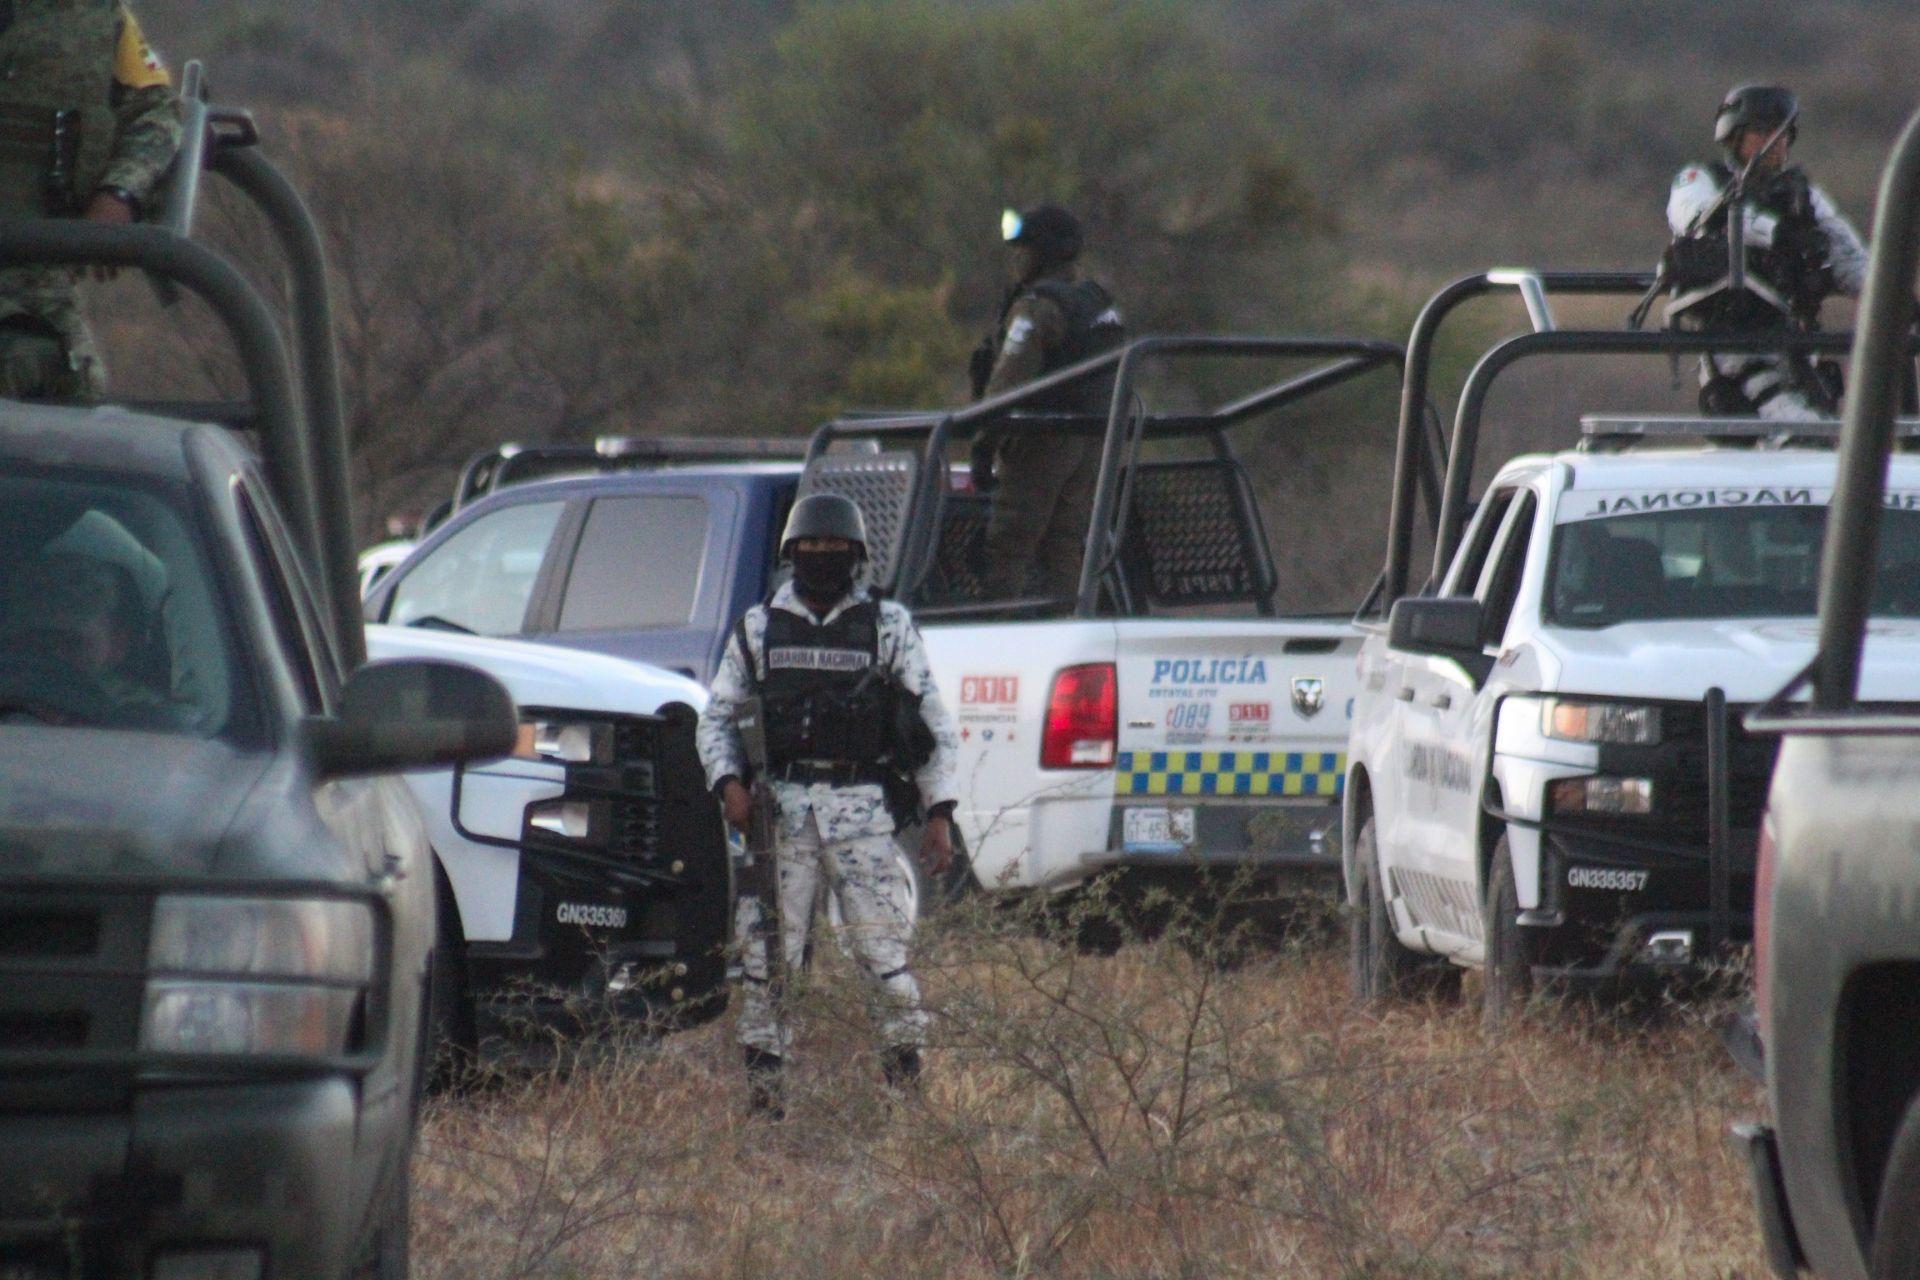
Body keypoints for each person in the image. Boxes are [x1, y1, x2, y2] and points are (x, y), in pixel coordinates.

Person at [696, 493, 960, 1118]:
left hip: (862, 811)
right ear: (790, 556)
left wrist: (941, 814)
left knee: (880, 953)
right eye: (809, 550)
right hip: (777, 815)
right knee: (767, 959)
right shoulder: (758, 627)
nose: (821, 560)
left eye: (834, 550)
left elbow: (933, 728)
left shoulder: (888, 625)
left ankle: (906, 1097)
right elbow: (715, 721)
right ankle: (766, 1106)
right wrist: (728, 784)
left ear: (857, 557)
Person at [0, 3, 185, 400]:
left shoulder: (95, 17)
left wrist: (119, 194)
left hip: (36, 278)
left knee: (67, 386)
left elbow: (157, 113)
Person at [1660, 85, 1867, 421]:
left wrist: (1894, 298)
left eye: (1784, 132)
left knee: (1828, 437)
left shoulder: (1803, 197)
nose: (1778, 141)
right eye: (1764, 131)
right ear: (1735, 136)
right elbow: (1697, 218)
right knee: (1797, 433)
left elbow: (1850, 258)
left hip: (1797, 344)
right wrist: (1773, 232)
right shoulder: (1699, 180)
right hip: (1734, 344)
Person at [968, 204, 1126, 602]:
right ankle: (1066, 627)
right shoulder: (1098, 303)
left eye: (1023, 249)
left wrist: (982, 446)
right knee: (1066, 546)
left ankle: (994, 638)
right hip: (1093, 444)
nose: (1015, 258)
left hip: (1042, 443)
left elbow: (1005, 388)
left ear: (1042, 254)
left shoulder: (1039, 307)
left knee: (1008, 545)